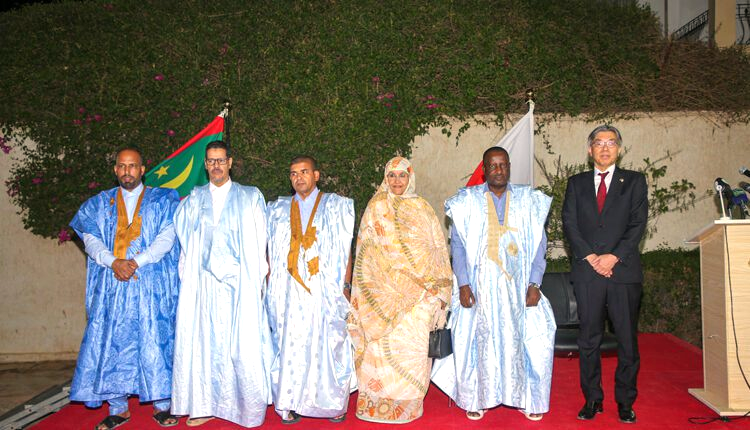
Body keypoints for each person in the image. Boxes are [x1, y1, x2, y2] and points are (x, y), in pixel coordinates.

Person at [431, 147, 556, 421]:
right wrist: (463, 284)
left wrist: (535, 283)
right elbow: (458, 247)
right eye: (493, 166)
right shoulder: (467, 202)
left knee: (524, 341)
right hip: (479, 289)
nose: (498, 170)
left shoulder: (529, 200)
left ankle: (525, 398)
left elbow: (539, 246)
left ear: (509, 166)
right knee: (478, 342)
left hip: (519, 289)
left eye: (503, 165)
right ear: (484, 169)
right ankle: (477, 398)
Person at [69, 147, 180, 430]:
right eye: (122, 166)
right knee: (111, 342)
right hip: (113, 285)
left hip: (151, 285)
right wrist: (114, 262)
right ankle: (118, 408)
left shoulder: (163, 199)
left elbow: (167, 237)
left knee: (155, 340)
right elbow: (91, 239)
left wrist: (136, 262)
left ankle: (162, 404)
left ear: (142, 169)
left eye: (132, 166)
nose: (127, 171)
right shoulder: (98, 204)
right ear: (115, 170)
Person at [171, 140, 273, 428]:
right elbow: (187, 245)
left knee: (240, 346)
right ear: (205, 165)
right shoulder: (193, 200)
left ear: (230, 162)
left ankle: (244, 408)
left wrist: (257, 282)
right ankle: (203, 405)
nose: (216, 166)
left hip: (240, 284)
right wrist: (189, 282)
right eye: (211, 161)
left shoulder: (250, 196)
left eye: (220, 160)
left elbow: (260, 241)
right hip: (203, 286)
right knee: (203, 345)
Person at [349, 157, 452, 423]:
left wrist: (439, 291)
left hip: (420, 297)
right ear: (386, 178)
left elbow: (437, 249)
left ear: (410, 178)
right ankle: (375, 403)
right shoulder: (376, 207)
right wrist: (388, 283)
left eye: (402, 175)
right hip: (381, 296)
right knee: (381, 352)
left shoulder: (423, 208)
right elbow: (365, 252)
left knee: (412, 351)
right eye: (392, 175)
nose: (397, 181)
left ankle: (408, 405)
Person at [562, 125, 648, 424]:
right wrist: (591, 257)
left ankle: (625, 401)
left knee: (627, 341)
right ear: (590, 150)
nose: (605, 148)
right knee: (588, 340)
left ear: (619, 149)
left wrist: (613, 257)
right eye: (598, 143)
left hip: (623, 273)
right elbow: (570, 223)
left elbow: (638, 224)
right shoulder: (576, 183)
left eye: (611, 143)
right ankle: (592, 399)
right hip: (588, 273)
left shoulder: (634, 181)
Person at [265, 155, 355, 424]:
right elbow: (270, 250)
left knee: (328, 343)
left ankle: (332, 403)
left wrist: (346, 285)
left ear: (316, 175)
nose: (299, 177)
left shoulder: (336, 206)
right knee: (290, 345)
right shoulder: (278, 209)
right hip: (288, 291)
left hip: (324, 289)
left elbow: (346, 249)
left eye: (304, 172)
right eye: (293, 173)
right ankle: (290, 401)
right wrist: (269, 284)